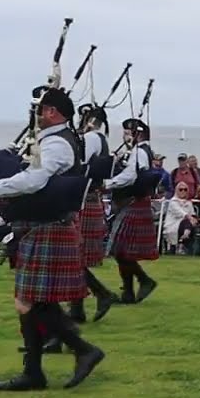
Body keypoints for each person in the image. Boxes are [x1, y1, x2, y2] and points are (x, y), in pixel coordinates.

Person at [0, 88, 105, 391]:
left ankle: (80, 350)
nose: (36, 116)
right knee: (32, 302)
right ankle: (36, 371)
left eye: (40, 110)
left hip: (48, 226)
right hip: (47, 225)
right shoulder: (60, 139)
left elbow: (37, 179)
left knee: (28, 301)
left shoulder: (56, 142)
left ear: (52, 112)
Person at [104, 118, 159, 303]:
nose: (124, 135)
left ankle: (142, 282)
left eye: (127, 132)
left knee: (121, 250)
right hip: (134, 202)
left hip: (132, 202)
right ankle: (130, 290)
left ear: (137, 133)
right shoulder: (142, 151)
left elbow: (130, 176)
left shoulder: (138, 152)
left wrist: (108, 184)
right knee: (122, 252)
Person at [74, 104, 117, 322]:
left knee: (74, 258)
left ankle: (101, 294)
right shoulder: (100, 139)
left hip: (83, 197)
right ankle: (78, 310)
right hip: (91, 197)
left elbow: (80, 165)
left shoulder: (91, 138)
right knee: (76, 259)